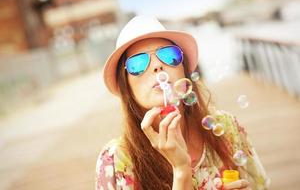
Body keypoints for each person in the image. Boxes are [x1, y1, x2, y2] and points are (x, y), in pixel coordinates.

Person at [95, 16, 270, 190]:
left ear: (184, 70)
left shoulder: (227, 128)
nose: (157, 66)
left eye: (169, 55)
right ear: (127, 86)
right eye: (138, 64)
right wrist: (181, 170)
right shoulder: (116, 161)